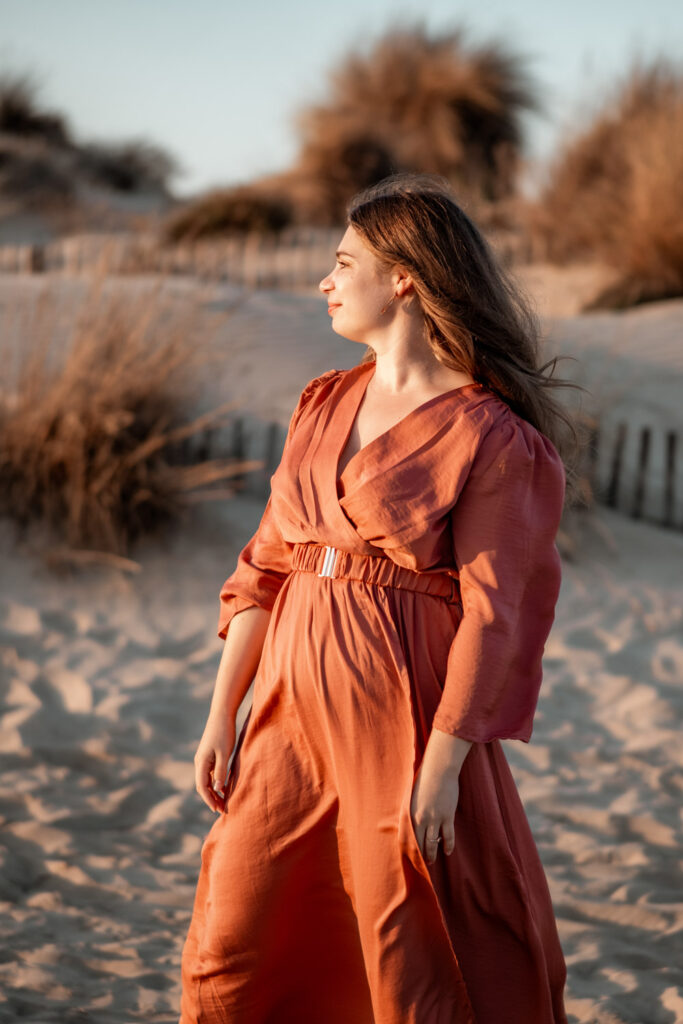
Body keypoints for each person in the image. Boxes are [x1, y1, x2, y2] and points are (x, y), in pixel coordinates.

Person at [179, 172, 579, 1024]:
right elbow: (264, 566)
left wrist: (444, 766)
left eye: (342, 261)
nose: (325, 282)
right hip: (287, 719)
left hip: (401, 728)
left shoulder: (490, 434)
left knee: (412, 949)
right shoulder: (321, 401)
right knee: (235, 936)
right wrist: (224, 713)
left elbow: (494, 612)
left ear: (402, 276)